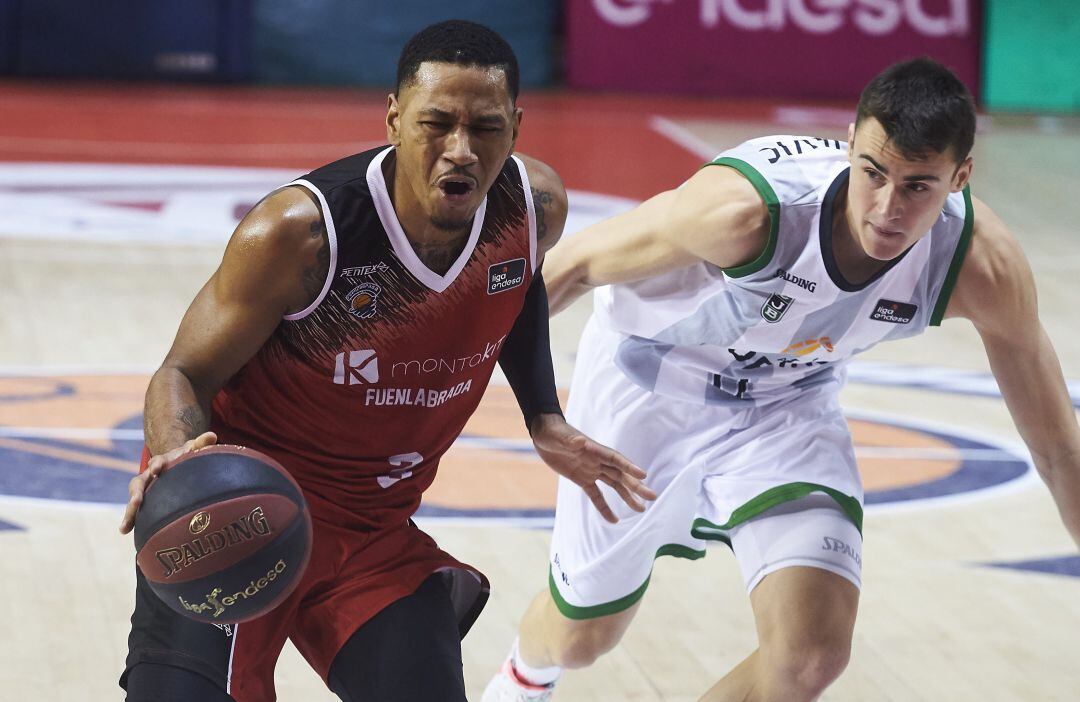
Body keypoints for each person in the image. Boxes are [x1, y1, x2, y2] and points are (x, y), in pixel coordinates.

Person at [483, 57, 1080, 702]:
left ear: (960, 176)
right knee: (583, 638)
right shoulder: (748, 210)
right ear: (850, 144)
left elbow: (1058, 447)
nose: (886, 208)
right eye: (873, 173)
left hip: (787, 406)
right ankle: (522, 678)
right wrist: (511, 403)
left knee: (811, 655)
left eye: (918, 187)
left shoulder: (979, 264)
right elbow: (571, 266)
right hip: (647, 388)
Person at [116, 20, 654, 702]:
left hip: (370, 530)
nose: (460, 151)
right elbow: (181, 374)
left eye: (485, 128)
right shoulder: (303, 234)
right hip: (240, 512)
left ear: (516, 126)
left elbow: (520, 281)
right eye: (437, 124)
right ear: (395, 119)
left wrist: (544, 416)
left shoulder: (532, 207)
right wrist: (180, 461)